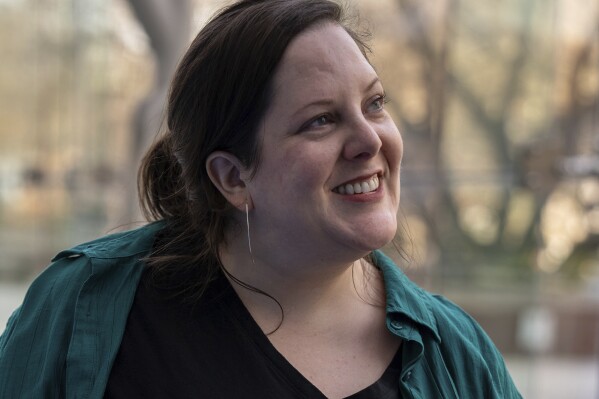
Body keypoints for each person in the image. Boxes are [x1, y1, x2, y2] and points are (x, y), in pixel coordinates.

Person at [0, 0, 522, 398]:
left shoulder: (456, 356)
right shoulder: (86, 308)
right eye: (321, 120)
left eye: (375, 103)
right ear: (232, 178)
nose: (371, 140)